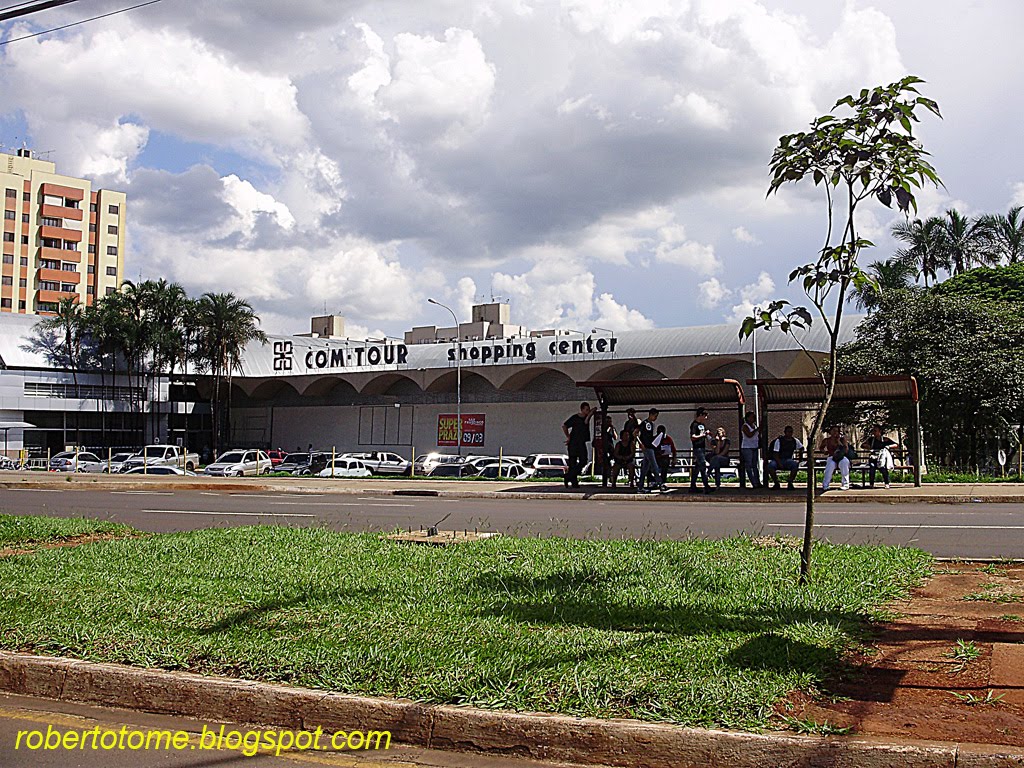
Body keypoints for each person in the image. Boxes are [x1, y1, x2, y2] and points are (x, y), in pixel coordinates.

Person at [562, 402, 593, 488]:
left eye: (588, 409)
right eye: (586, 409)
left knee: (583, 460)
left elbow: (588, 418)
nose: (588, 411)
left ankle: (569, 476)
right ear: (582, 409)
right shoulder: (575, 418)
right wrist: (568, 436)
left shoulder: (586, 418)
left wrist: (592, 411)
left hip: (581, 442)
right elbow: (565, 425)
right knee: (572, 463)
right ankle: (573, 482)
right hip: (573, 443)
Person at [637, 408, 666, 492]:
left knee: (645, 468)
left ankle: (640, 486)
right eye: (655, 416)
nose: (655, 418)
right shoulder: (645, 423)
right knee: (654, 465)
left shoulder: (651, 424)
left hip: (650, 446)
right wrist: (640, 443)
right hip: (647, 447)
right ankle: (660, 483)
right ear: (651, 415)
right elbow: (635, 433)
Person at [767, 426, 803, 490]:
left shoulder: (795, 440)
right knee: (771, 466)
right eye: (788, 432)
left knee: (794, 465)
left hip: (788, 460)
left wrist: (800, 458)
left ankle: (790, 482)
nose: (790, 433)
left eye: (791, 432)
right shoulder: (779, 441)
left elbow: (801, 448)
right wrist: (779, 463)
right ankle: (776, 483)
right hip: (778, 459)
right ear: (785, 432)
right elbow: (775, 453)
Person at [819, 425, 851, 491]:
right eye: (833, 431)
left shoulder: (842, 439)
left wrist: (839, 442)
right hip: (832, 457)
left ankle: (845, 484)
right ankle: (825, 485)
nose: (835, 433)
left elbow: (846, 449)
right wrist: (824, 452)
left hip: (842, 457)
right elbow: (821, 447)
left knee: (844, 463)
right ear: (830, 432)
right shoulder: (827, 440)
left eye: (836, 431)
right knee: (830, 466)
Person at [688, 408, 712, 493]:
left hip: (702, 447)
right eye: (704, 415)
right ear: (700, 415)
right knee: (703, 466)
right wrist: (702, 435)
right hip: (697, 448)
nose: (706, 418)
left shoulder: (702, 425)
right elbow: (693, 437)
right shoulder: (694, 425)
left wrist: (707, 435)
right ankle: (706, 485)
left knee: (697, 468)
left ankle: (692, 486)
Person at [740, 412, 762, 488]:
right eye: (752, 417)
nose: (754, 418)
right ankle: (753, 482)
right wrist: (756, 430)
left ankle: (757, 481)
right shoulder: (745, 426)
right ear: (748, 418)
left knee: (755, 466)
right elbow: (749, 435)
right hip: (747, 447)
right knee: (749, 465)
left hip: (754, 447)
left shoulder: (754, 426)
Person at [622, 408, 640, 488]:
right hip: (627, 444)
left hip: (634, 443)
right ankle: (630, 478)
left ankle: (637, 478)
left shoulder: (637, 422)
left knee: (635, 461)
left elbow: (637, 431)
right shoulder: (627, 423)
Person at [596, 415, 616, 487]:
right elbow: (604, 434)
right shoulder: (603, 428)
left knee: (612, 463)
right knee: (605, 463)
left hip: (610, 447)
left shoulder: (611, 428)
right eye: (608, 421)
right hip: (604, 447)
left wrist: (612, 429)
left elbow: (615, 437)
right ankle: (606, 478)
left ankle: (611, 477)